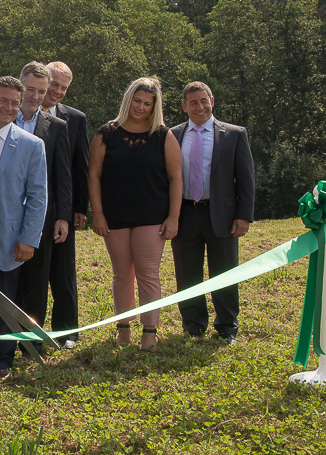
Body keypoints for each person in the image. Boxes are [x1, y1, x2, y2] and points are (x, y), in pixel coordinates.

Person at [87, 77, 182, 351]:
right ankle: (123, 330)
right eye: (137, 101)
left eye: (147, 104)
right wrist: (99, 214)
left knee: (148, 274)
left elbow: (176, 178)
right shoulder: (107, 133)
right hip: (114, 217)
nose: (141, 107)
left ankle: (149, 333)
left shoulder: (164, 136)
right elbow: (93, 175)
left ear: (155, 107)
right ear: (129, 99)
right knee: (121, 275)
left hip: (153, 217)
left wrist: (173, 217)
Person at [171, 81, 255, 345]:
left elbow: (246, 178)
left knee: (225, 273)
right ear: (184, 106)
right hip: (185, 215)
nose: (200, 107)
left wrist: (244, 216)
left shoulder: (234, 134)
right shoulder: (172, 135)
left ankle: (227, 326)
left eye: (204, 100)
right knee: (187, 274)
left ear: (212, 101)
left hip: (223, 215)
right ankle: (193, 325)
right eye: (193, 102)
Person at [0, 76, 48, 377]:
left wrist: (29, 239)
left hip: (8, 233)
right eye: (3, 100)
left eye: (14, 103)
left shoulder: (32, 146)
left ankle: (0, 360)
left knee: (4, 300)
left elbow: (37, 197)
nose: (8, 107)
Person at [10, 61, 72, 356]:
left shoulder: (57, 127)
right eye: (30, 89)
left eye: (41, 91)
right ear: (21, 86)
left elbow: (63, 175)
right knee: (3, 280)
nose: (34, 96)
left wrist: (63, 216)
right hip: (4, 213)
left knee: (36, 280)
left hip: (41, 216)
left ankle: (31, 342)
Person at [43, 61, 90, 349]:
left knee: (64, 274)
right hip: (26, 209)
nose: (57, 91)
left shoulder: (76, 119)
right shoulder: (17, 111)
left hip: (62, 209)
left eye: (63, 87)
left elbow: (79, 166)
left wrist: (79, 208)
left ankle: (67, 333)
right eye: (54, 83)